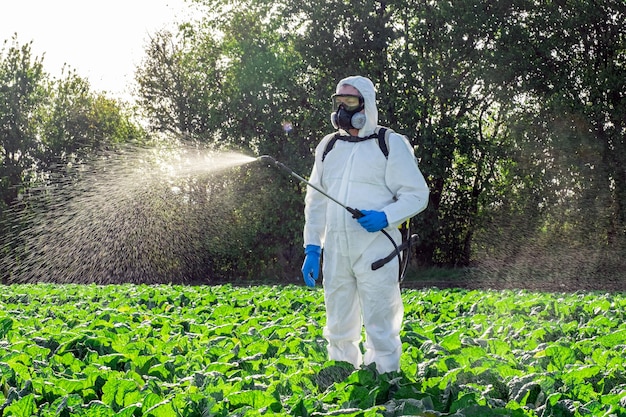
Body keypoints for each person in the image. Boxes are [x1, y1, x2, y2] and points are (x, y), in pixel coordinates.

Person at [301, 75, 429, 374]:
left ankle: (384, 386)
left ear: (366, 105)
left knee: (380, 325)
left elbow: (417, 194)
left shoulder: (389, 143)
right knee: (338, 325)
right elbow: (315, 199)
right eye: (339, 101)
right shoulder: (329, 146)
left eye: (350, 101)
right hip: (336, 250)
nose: (343, 108)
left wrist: (386, 216)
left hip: (377, 249)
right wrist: (312, 247)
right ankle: (343, 384)